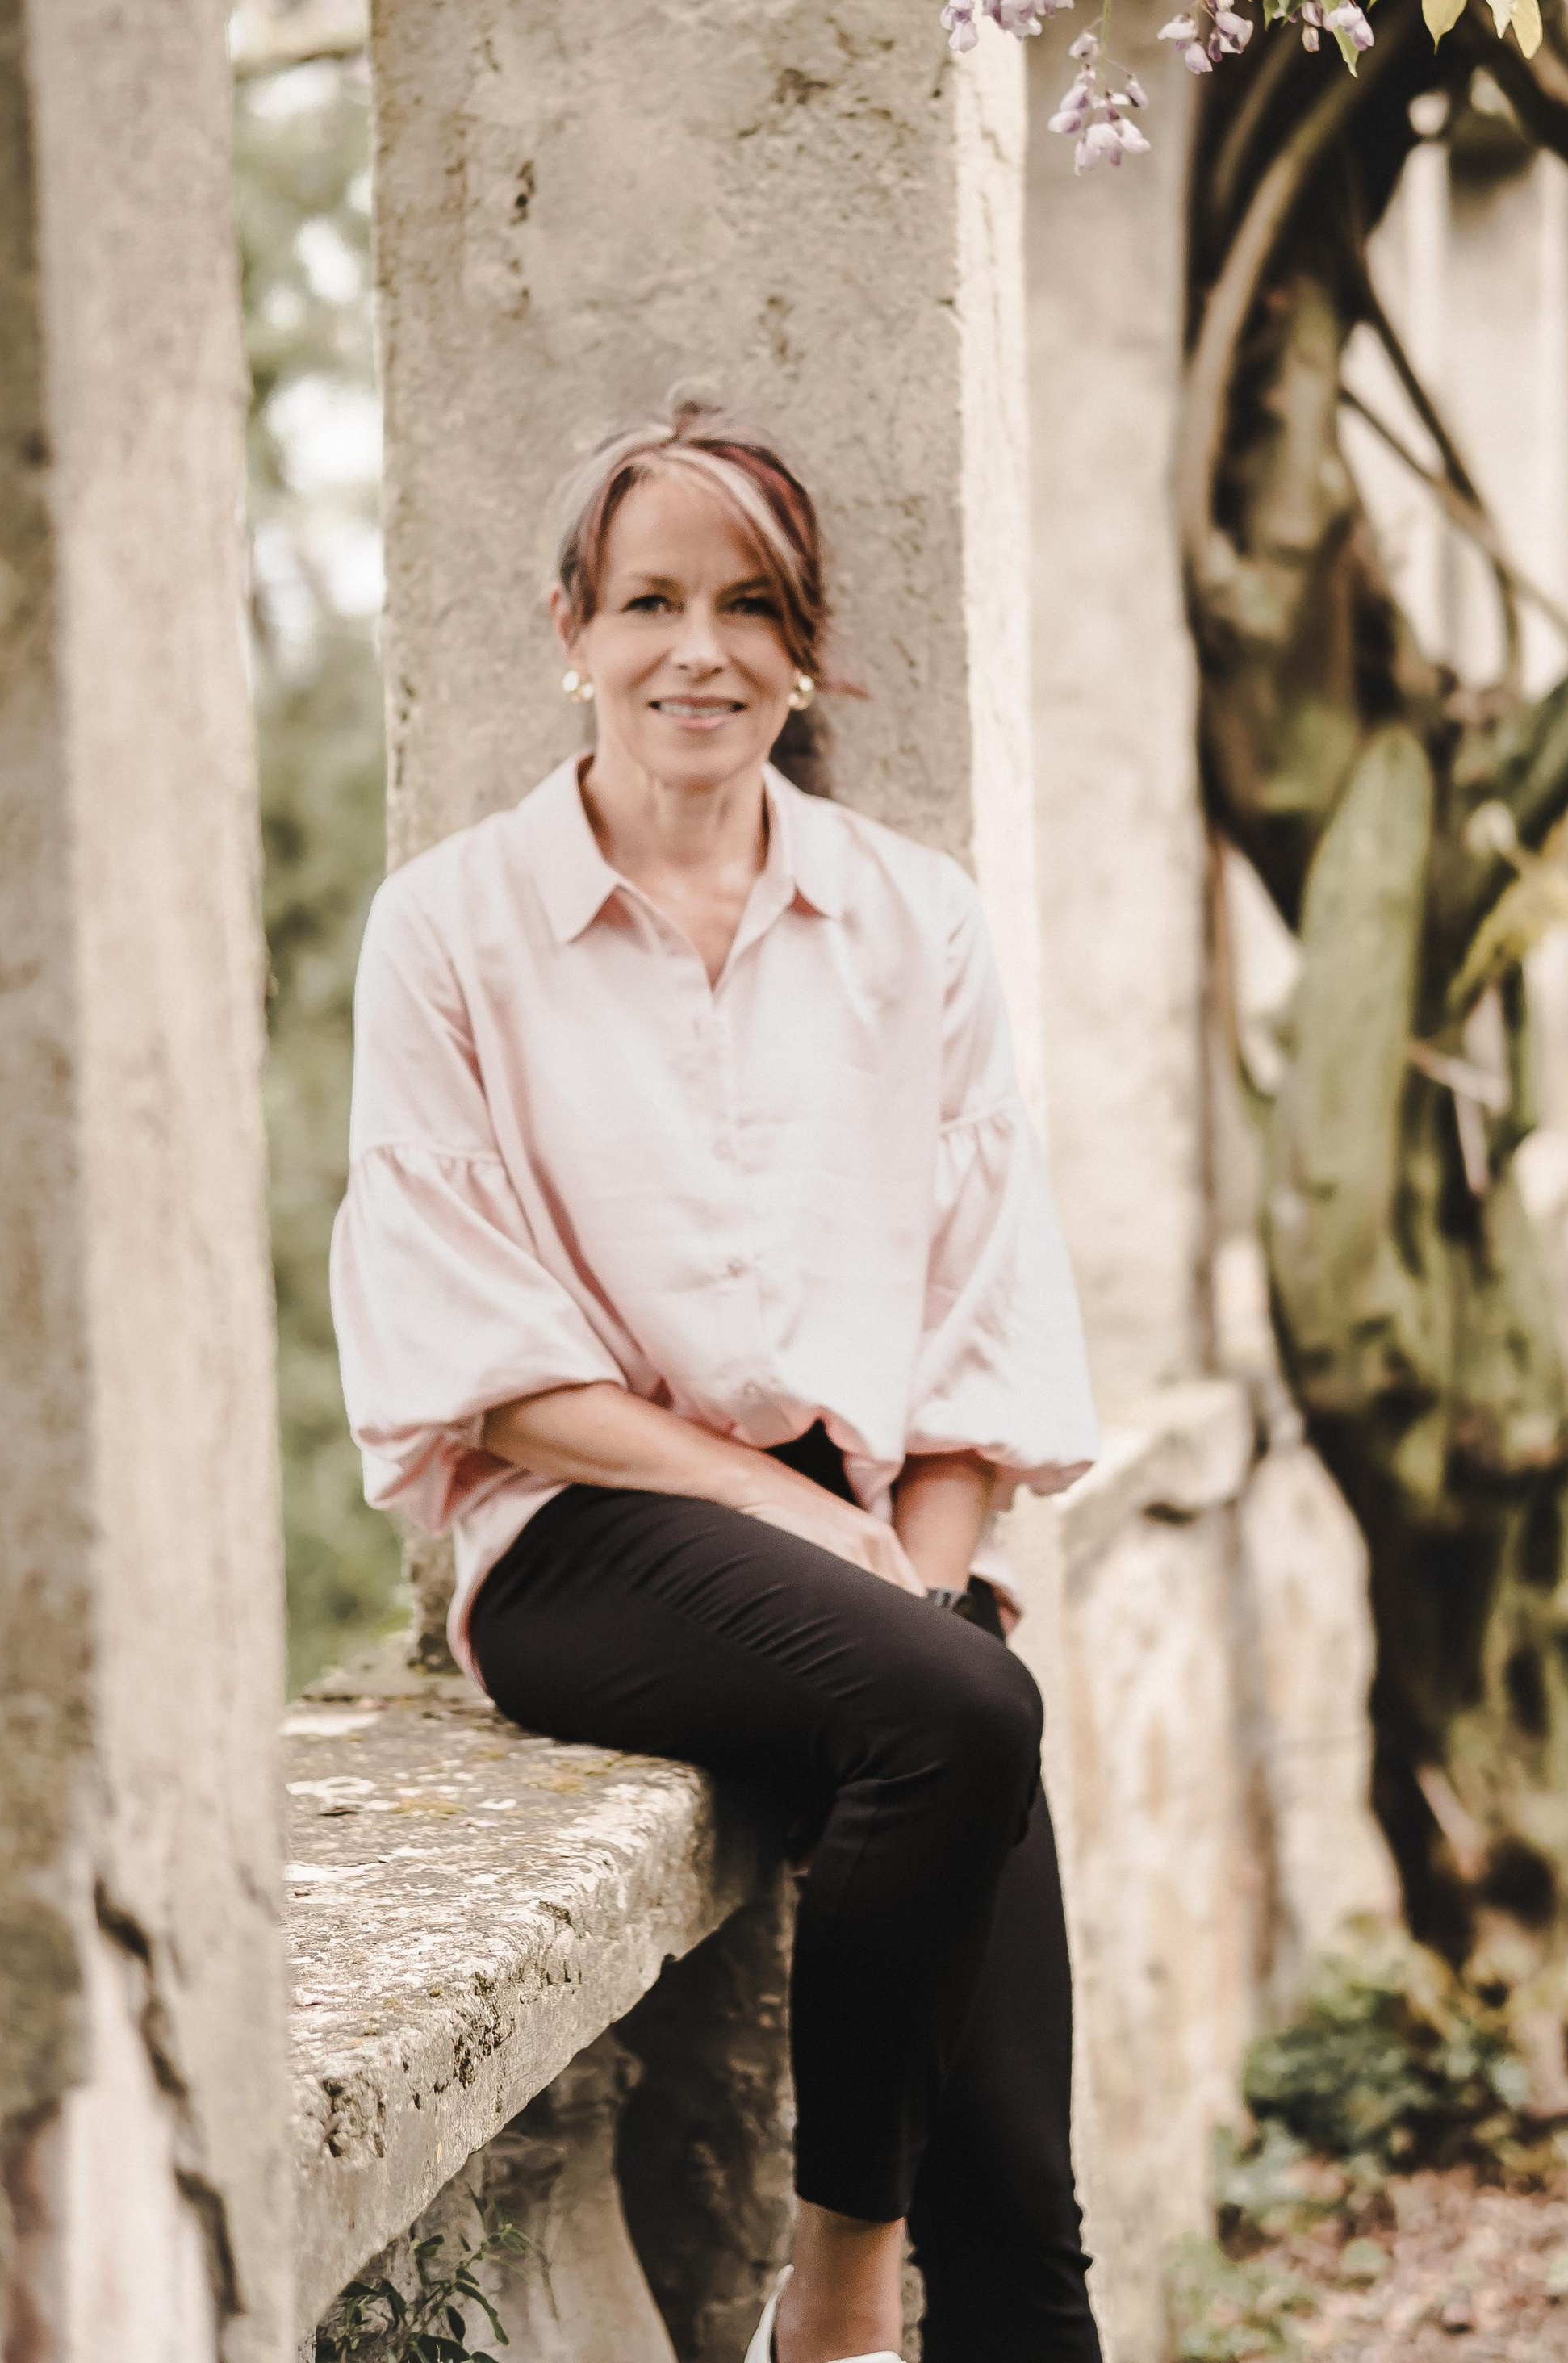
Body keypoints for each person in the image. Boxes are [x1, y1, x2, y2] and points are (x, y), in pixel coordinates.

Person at [331, 399, 1103, 2363]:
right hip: (590, 1543)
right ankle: (837, 2287)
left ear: (806, 647)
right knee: (956, 1702)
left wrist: (915, 1557)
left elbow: (980, 1310)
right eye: (650, 599)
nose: (700, 649)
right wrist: (823, 1542)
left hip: (862, 1542)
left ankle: (916, 2282)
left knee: (1023, 2208)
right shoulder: (450, 930)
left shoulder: (910, 917)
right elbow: (485, 1368)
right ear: (570, 631)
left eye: (748, 605)